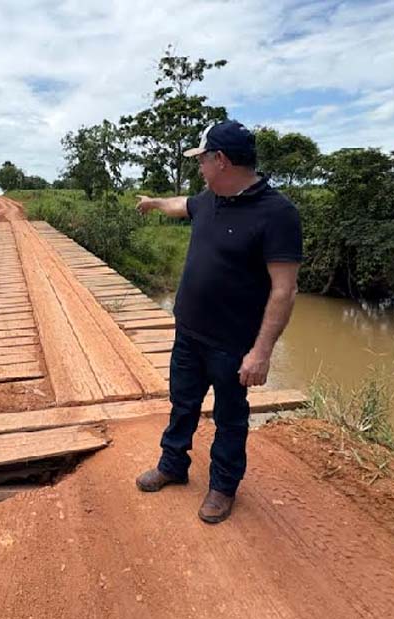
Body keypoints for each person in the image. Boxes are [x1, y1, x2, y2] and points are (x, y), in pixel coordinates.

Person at [134, 120, 302, 524]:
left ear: (221, 160)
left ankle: (222, 487)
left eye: (202, 159)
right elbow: (182, 204)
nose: (199, 167)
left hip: (233, 344)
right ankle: (172, 465)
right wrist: (154, 202)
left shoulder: (278, 214)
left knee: (230, 417)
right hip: (189, 333)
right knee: (183, 404)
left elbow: (285, 290)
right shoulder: (211, 198)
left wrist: (261, 353)